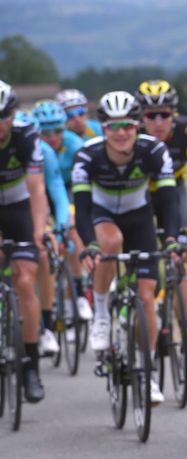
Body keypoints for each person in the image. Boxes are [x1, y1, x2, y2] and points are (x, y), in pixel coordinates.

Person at [73, 90, 182, 405]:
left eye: (128, 126)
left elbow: (168, 199)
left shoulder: (154, 151)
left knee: (146, 296)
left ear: (138, 126)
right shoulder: (88, 155)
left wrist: (172, 238)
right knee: (109, 242)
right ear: (102, 128)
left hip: (139, 217)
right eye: (112, 127)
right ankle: (102, 312)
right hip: (101, 213)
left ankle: (147, 374)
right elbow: (81, 206)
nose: (120, 134)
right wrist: (89, 244)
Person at [135, 79, 187, 381]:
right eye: (151, 116)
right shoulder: (129, 134)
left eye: (165, 114)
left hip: (172, 193)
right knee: (137, 261)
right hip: (137, 193)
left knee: (180, 261)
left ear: (174, 114)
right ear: (140, 117)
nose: (158, 122)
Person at [0, 81, 51, 402]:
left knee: (25, 278)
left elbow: (37, 190)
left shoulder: (26, 136)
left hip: (19, 207)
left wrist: (37, 230)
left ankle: (31, 365)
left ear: (13, 115)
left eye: (2, 116)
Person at [31, 100, 92, 323]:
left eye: (57, 130)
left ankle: (78, 288)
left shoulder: (75, 144)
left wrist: (63, 228)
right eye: (45, 132)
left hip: (68, 190)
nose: (52, 137)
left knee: (72, 229)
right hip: (39, 192)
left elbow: (69, 190)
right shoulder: (35, 149)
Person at [15, 109, 70, 357]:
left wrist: (59, 230)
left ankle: (47, 326)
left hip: (34, 209)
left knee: (43, 254)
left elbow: (57, 195)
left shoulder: (44, 153)